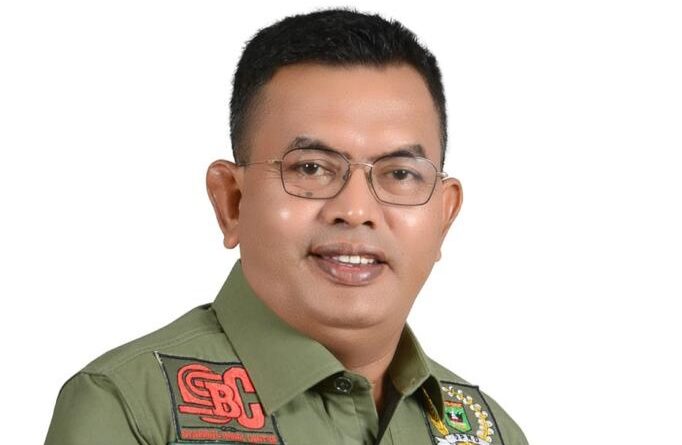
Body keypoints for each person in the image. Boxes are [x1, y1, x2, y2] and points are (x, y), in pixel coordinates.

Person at [45, 8, 527, 445]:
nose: (356, 210)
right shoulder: (132, 408)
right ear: (232, 202)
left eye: (400, 174)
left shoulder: (491, 433)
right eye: (311, 168)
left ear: (444, 216)